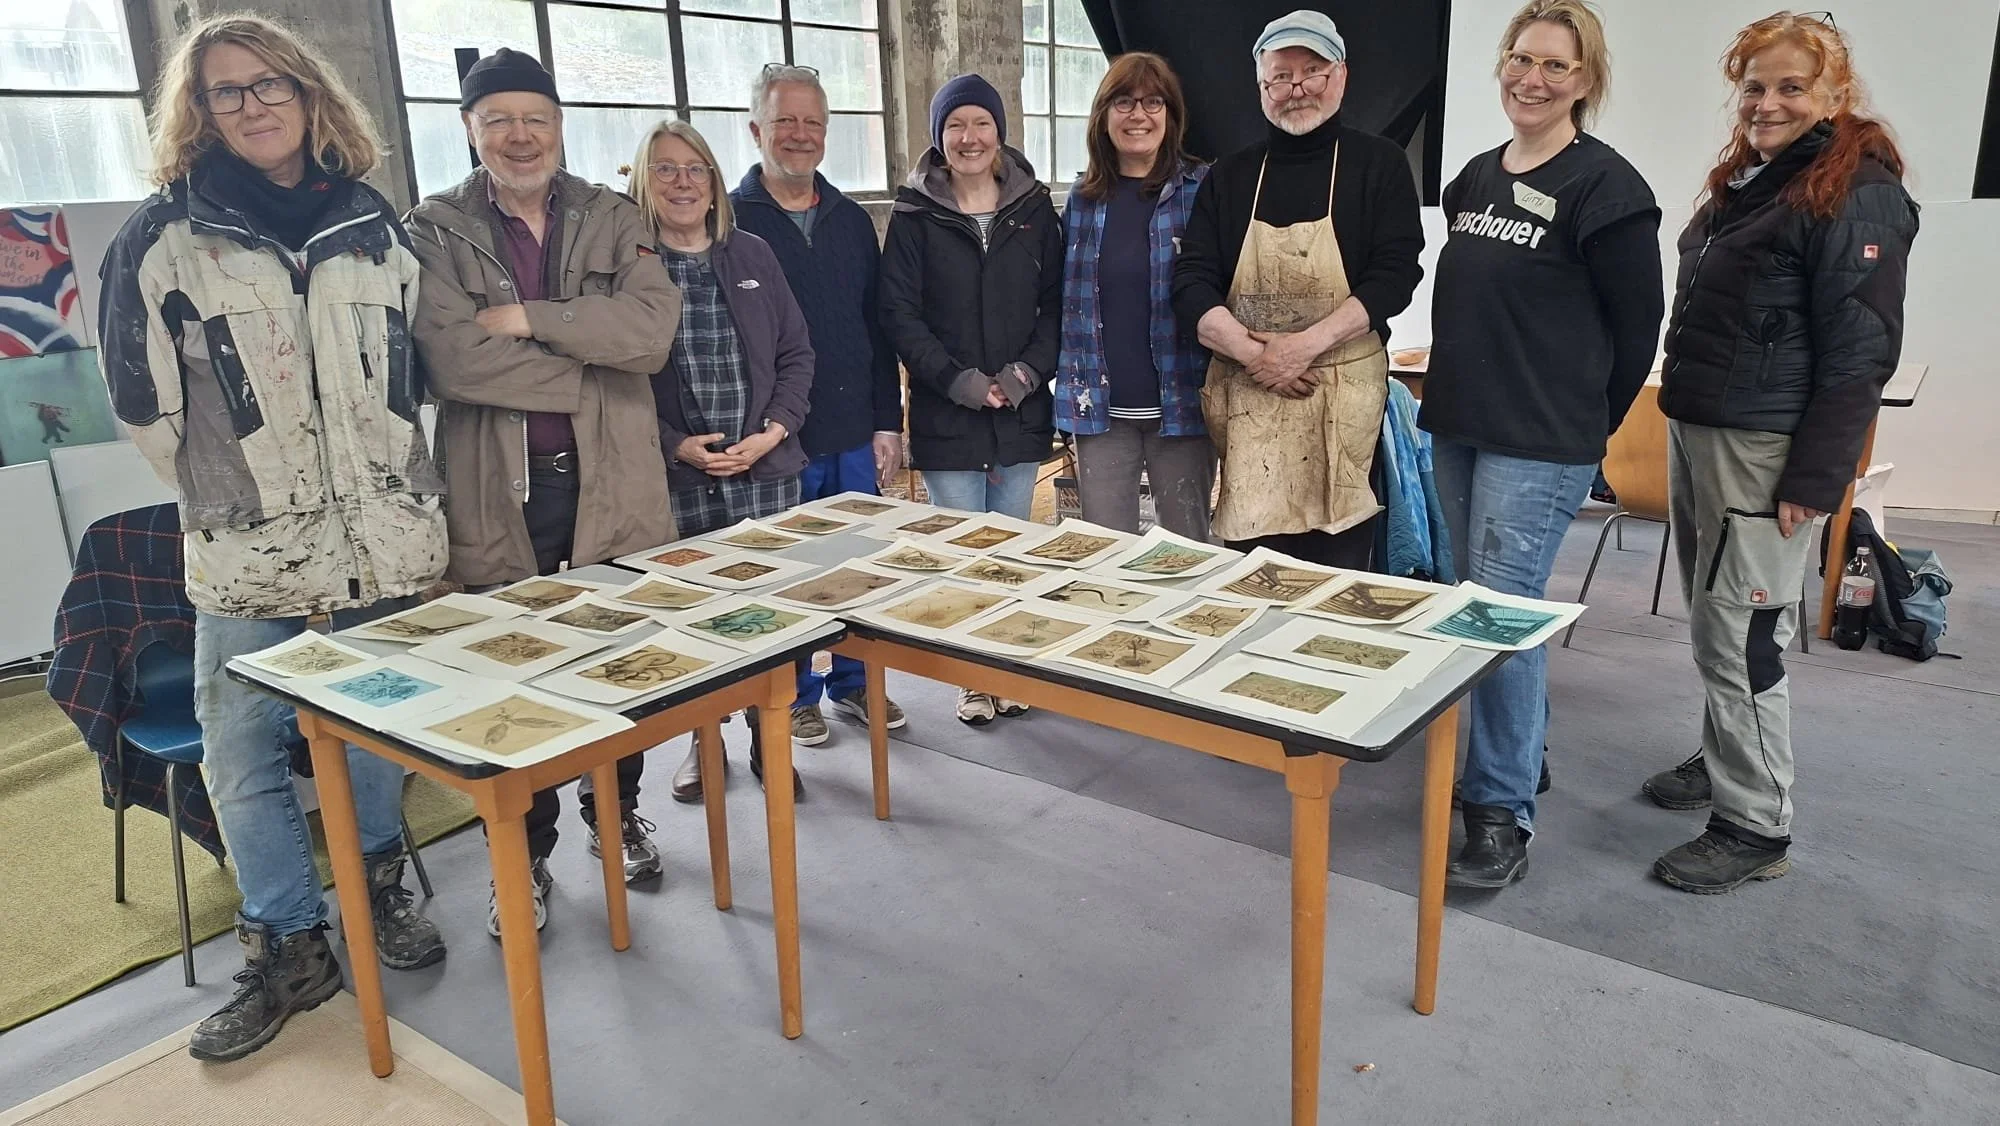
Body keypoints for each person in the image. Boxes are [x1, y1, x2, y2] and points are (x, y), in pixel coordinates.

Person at [96, 13, 445, 1061]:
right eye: (224, 92)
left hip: (383, 545)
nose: (250, 105)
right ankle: (292, 941)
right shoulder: (162, 237)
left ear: (308, 93)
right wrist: (250, 490)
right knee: (243, 757)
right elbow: (145, 412)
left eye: (267, 85)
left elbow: (410, 375)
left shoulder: (374, 223)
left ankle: (377, 887)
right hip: (251, 560)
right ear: (196, 113)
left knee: (376, 739)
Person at [1641, 11, 1916, 893]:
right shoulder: (1759, 182)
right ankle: (1726, 755)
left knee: (1746, 627)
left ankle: (1755, 823)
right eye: (1755, 87)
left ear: (1836, 93)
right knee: (1715, 613)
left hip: (1764, 447)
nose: (1768, 102)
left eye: (1792, 86)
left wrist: (1817, 475)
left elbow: (1862, 348)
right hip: (1707, 428)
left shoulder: (1854, 190)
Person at [406, 49, 682, 928]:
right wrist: (583, 371)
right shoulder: (432, 227)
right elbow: (449, 356)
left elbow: (649, 336)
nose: (519, 136)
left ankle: (616, 812)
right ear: (470, 129)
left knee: (617, 661)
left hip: (612, 487)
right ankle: (520, 856)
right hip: (500, 491)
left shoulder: (612, 213)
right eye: (499, 120)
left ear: (559, 125)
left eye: (535, 118)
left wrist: (529, 320)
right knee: (508, 681)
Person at [1417, 0, 1664, 888]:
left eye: (1557, 66)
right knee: (1471, 603)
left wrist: (1586, 422)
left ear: (1585, 81)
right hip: (1459, 422)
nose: (1534, 78)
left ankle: (1499, 811)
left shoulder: (1607, 188)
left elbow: (1640, 325)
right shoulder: (1476, 178)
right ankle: (1516, 756)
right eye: (1522, 59)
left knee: (1501, 614)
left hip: (1542, 436)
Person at [1172, 10, 1424, 569]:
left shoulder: (1377, 164)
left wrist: (1302, 348)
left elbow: (1396, 273)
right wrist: (1255, 354)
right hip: (1249, 397)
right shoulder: (1231, 175)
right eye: (1280, 77)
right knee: (1251, 573)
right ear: (1261, 88)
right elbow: (1191, 281)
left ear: (1341, 76)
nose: (1297, 89)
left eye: (1313, 71)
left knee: (1338, 574)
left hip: (1338, 395)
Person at [630, 119, 816, 803]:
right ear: (643, 184)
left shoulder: (753, 255)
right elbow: (612, 386)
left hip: (764, 475)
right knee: (693, 623)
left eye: (696, 169)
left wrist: (772, 432)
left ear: (714, 182)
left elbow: (798, 353)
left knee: (767, 619)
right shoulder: (631, 267)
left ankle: (770, 742)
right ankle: (701, 743)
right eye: (666, 169)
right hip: (679, 483)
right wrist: (673, 444)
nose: (683, 182)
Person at [731, 63, 908, 748]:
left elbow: (876, 326)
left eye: (812, 123)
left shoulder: (852, 221)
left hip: (852, 430)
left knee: (859, 563)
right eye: (785, 122)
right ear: (756, 129)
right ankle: (795, 692)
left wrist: (886, 421)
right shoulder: (731, 220)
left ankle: (855, 683)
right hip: (776, 437)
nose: (799, 135)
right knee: (790, 570)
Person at [879, 74, 1064, 726]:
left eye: (980, 124)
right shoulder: (914, 214)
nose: (969, 137)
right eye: (955, 125)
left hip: (1019, 407)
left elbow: (1057, 306)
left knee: (1009, 550)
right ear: (939, 137)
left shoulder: (1035, 209)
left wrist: (1023, 374)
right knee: (961, 553)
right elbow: (897, 313)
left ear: (998, 131)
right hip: (945, 408)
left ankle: (1005, 669)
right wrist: (956, 379)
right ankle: (969, 678)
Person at [1057, 52, 1214, 539]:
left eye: (1152, 102)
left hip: (1182, 406)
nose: (1138, 115)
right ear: (1103, 116)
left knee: (1187, 552)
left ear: (1172, 114)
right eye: (1123, 102)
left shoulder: (1202, 190)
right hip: (1101, 413)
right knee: (1104, 552)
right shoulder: (1082, 200)